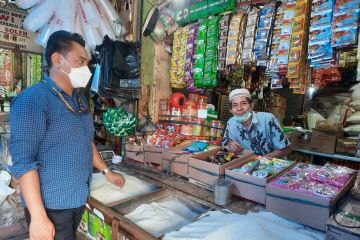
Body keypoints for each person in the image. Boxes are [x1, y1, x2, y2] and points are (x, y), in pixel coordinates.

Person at [9, 30, 126, 240]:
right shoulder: (33, 100)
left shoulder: (79, 101)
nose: (86, 69)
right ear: (57, 60)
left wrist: (107, 171)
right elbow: (24, 162)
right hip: (51, 206)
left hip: (77, 198)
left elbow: (85, 142)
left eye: (87, 62)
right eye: (80, 61)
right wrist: (38, 217)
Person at [222, 88, 291, 158]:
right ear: (231, 110)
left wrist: (261, 159)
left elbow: (286, 149)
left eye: (243, 103)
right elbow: (226, 143)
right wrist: (230, 143)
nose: (239, 108)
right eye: (235, 105)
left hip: (270, 164)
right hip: (244, 164)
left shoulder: (268, 119)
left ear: (251, 106)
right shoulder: (231, 123)